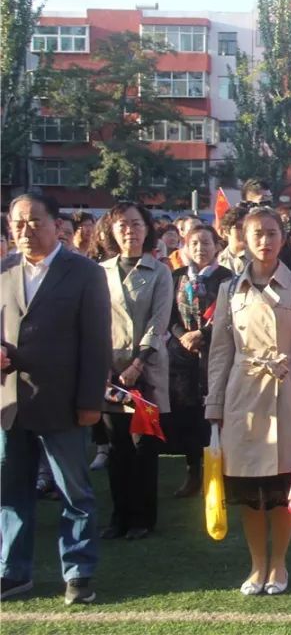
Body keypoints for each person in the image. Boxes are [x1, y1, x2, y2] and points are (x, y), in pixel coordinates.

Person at [1, 193, 111, 605]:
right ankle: (13, 571)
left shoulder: (83, 272)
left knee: (74, 494)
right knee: (10, 492)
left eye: (33, 222)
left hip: (64, 402)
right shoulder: (4, 269)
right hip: (10, 403)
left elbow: (96, 343)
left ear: (55, 224)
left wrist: (89, 402)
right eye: (17, 224)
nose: (25, 231)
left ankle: (79, 571)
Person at [206, 206, 291, 595]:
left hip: (286, 396)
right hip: (242, 397)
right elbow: (220, 352)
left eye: (272, 233)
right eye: (256, 233)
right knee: (249, 493)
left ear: (284, 238)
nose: (264, 241)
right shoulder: (228, 289)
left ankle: (280, 563)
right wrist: (215, 405)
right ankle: (257, 565)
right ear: (242, 237)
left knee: (282, 488)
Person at [99, 202, 172, 541]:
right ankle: (119, 517)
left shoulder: (159, 271)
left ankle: (143, 518)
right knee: (117, 449)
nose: (130, 230)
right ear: (112, 231)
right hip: (109, 374)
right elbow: (93, 322)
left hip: (146, 369)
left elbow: (159, 323)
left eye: (137, 224)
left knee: (143, 447)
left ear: (147, 229)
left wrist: (138, 363)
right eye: (123, 225)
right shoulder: (100, 272)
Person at [167, 225, 233, 498]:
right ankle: (194, 471)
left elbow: (230, 315)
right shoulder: (177, 277)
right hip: (183, 358)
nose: (200, 248)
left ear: (216, 246)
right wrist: (183, 336)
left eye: (205, 242)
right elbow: (168, 315)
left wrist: (202, 334)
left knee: (217, 415)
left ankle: (223, 474)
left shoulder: (227, 278)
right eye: (194, 243)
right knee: (189, 417)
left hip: (216, 354)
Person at [217, 206, 249, 274]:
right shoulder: (217, 260)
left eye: (247, 227)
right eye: (240, 227)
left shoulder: (259, 258)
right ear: (226, 231)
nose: (245, 231)